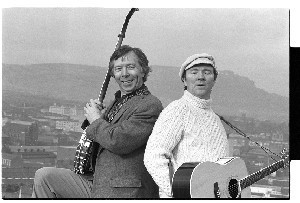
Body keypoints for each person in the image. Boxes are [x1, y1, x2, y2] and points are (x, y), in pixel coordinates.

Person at [32, 45, 163, 198]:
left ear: (143, 70)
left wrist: (95, 120)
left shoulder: (149, 105)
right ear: (113, 74)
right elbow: (99, 137)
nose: (125, 74)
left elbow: (118, 141)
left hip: (124, 190)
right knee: (45, 177)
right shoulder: (118, 102)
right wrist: (99, 118)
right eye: (118, 69)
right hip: (98, 182)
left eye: (131, 67)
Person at [144, 53, 230, 198]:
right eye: (194, 72)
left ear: (214, 80)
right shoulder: (178, 109)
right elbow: (153, 156)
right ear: (184, 80)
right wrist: (179, 192)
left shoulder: (216, 120)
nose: (200, 77)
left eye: (207, 72)